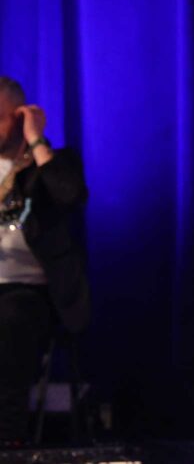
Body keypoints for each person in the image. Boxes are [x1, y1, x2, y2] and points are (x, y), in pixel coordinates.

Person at [0, 77, 88, 446]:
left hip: (29, 293)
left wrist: (36, 142)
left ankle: (8, 440)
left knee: (7, 321)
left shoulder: (51, 164)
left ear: (22, 116)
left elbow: (70, 197)